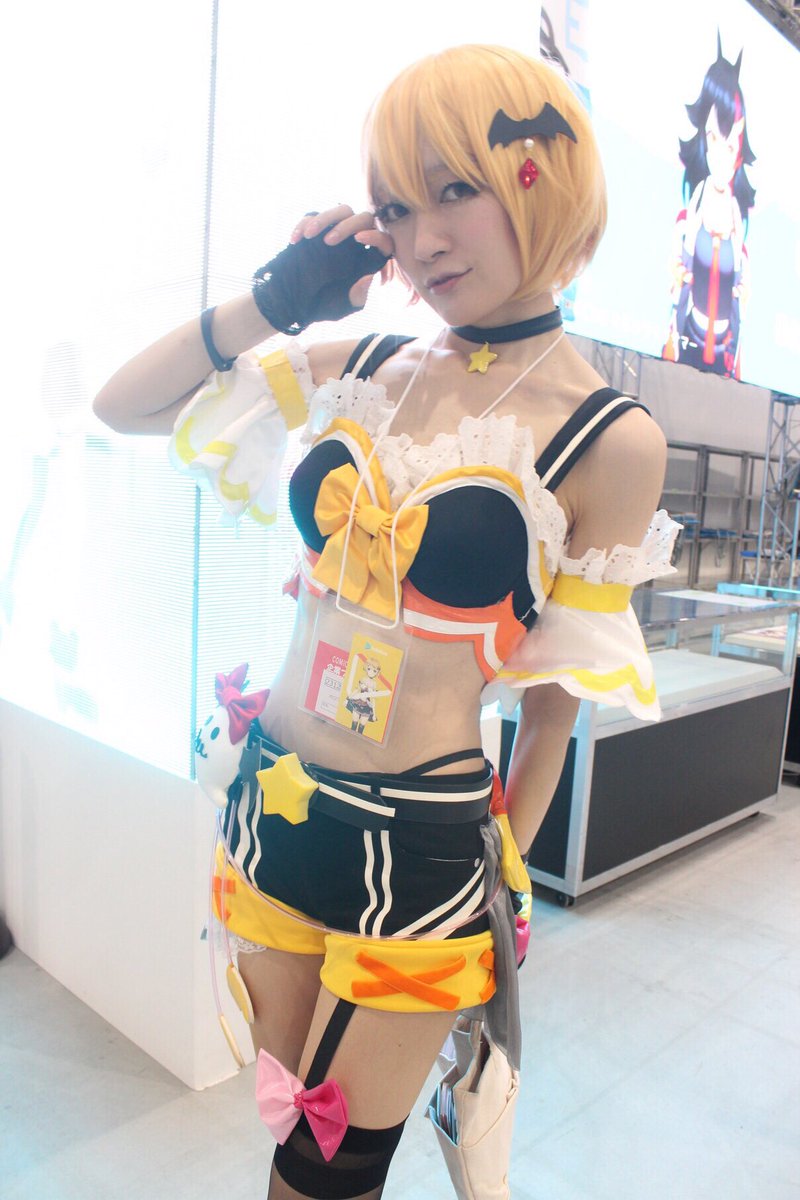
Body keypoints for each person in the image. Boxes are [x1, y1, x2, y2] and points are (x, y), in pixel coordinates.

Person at [94, 43, 677, 1200]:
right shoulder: (365, 363)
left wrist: (503, 879)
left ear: (541, 178)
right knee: (288, 1131)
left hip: (424, 852)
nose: (424, 239)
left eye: (454, 189)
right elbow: (126, 406)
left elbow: (554, 709)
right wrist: (275, 299)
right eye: (399, 207)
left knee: (325, 1175)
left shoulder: (610, 439)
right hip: (274, 808)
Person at [662, 34, 756, 379]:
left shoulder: (738, 231)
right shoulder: (687, 220)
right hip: (686, 341)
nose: (721, 154)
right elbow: (674, 282)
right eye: (714, 138)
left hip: (724, 355)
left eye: (730, 145)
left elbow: (743, 296)